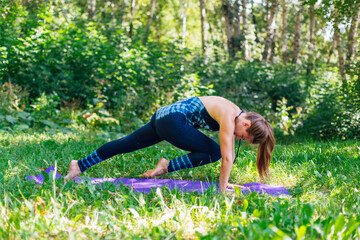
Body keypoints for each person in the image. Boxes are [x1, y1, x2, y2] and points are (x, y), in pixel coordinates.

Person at [65, 96, 275, 193]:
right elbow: (227, 156)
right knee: (214, 152)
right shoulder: (230, 116)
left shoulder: (232, 109)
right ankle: (165, 167)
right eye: (244, 137)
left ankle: (79, 165)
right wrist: (222, 188)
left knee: (124, 144)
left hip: (163, 116)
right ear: (246, 124)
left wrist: (225, 180)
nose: (240, 139)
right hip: (172, 121)